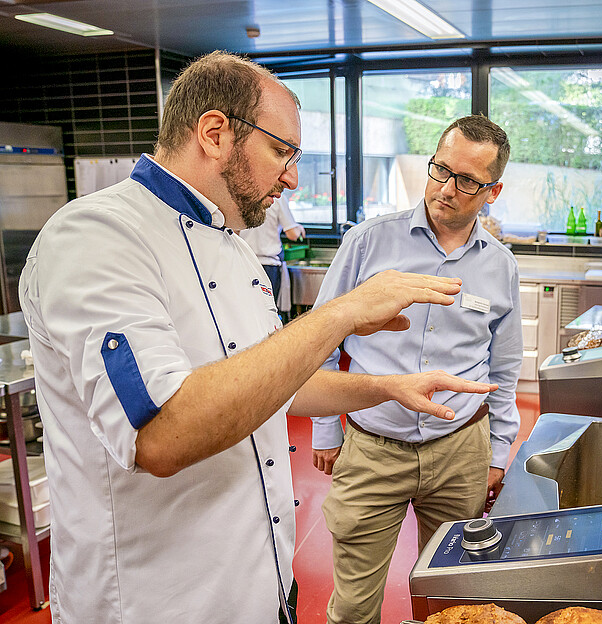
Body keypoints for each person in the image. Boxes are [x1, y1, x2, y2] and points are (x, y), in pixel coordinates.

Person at [18, 51, 496, 624]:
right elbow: (163, 435)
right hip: (156, 602)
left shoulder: (234, 249)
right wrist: (339, 315)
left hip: (257, 588)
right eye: (282, 151)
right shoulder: (96, 238)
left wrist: (389, 387)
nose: (291, 177)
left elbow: (277, 385)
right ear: (215, 133)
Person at [312, 115, 522, 624]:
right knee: (353, 606)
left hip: (460, 452)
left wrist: (497, 451)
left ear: (492, 191)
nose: (446, 189)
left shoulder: (500, 265)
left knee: (453, 603)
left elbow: (505, 367)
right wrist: (323, 430)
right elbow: (319, 338)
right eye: (439, 170)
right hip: (373, 447)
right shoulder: (368, 243)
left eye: (467, 181)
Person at [239, 196, 305, 312]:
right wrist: (298, 228)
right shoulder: (278, 199)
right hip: (268, 266)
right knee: (268, 313)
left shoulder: (244, 195)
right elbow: (292, 234)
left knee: (248, 311)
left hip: (244, 263)